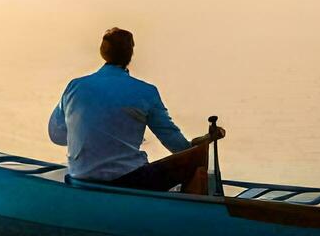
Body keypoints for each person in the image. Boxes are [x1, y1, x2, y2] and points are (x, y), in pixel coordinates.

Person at [48, 27, 224, 192]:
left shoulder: (75, 86)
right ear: (130, 54)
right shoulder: (146, 92)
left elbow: (56, 136)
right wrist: (201, 143)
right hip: (129, 182)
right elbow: (176, 145)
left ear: (103, 53)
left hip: (80, 177)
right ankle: (192, 216)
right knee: (193, 162)